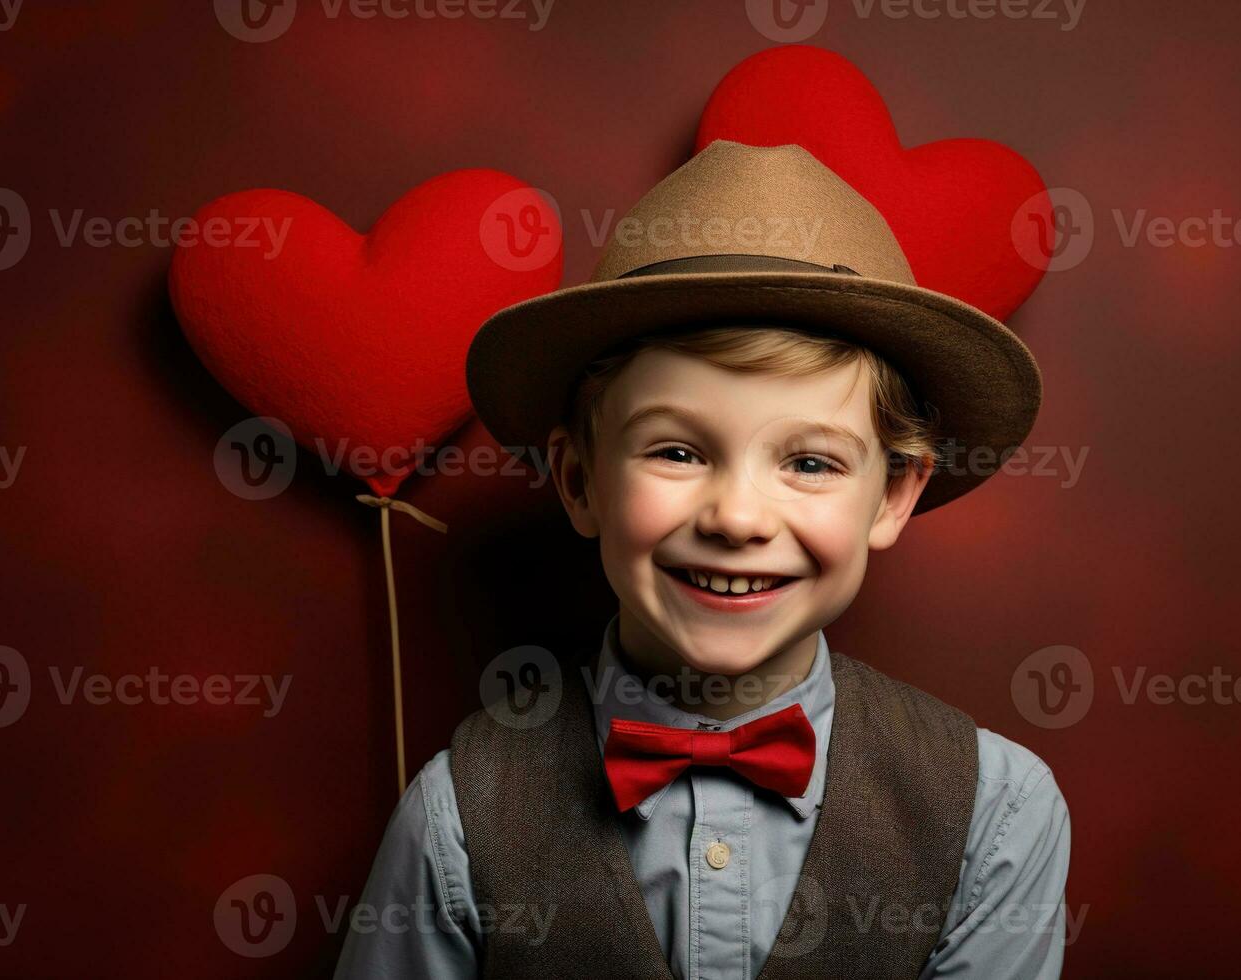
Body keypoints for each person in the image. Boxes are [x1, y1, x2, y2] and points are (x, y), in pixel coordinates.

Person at [335, 139, 1070, 979]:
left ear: (894, 495)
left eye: (810, 462)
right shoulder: (457, 818)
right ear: (578, 481)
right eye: (678, 452)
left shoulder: (995, 815)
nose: (738, 518)